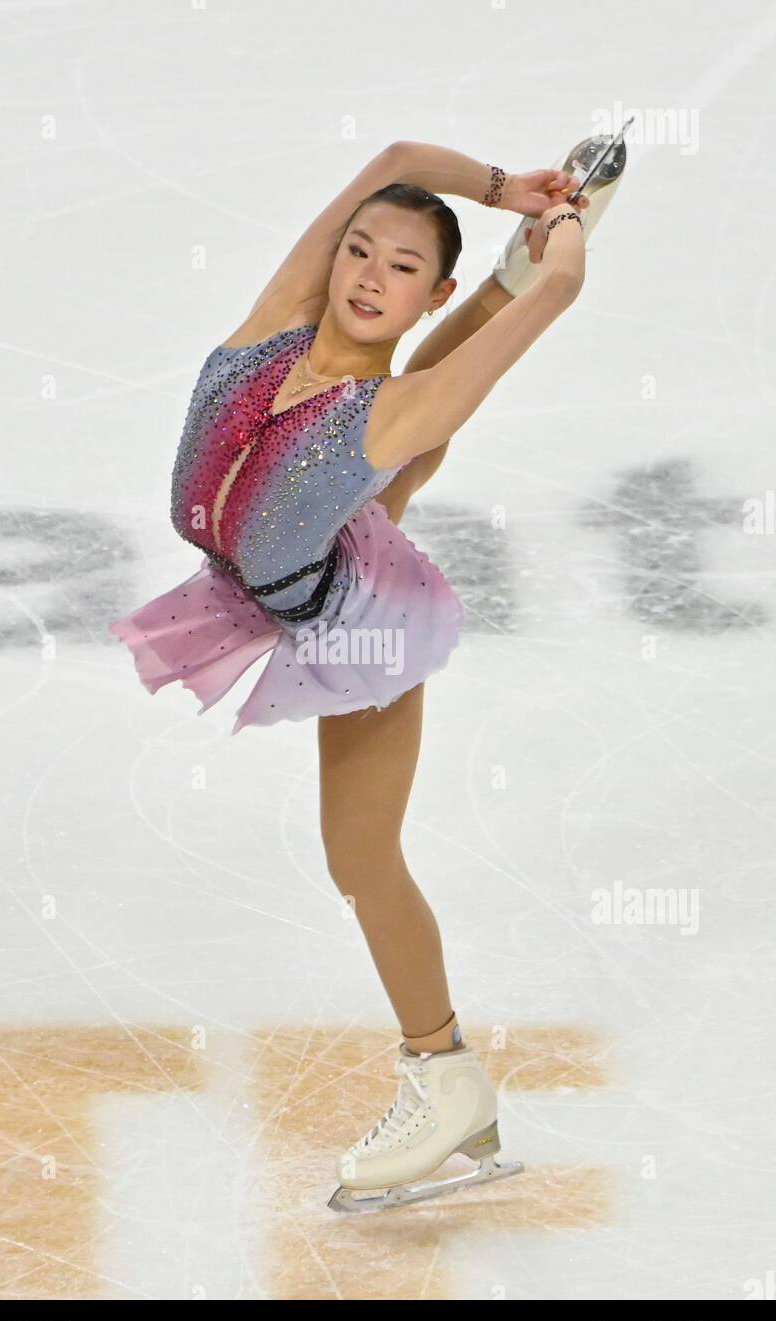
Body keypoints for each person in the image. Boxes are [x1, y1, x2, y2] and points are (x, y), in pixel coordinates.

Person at [109, 139, 600, 1211]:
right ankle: (447, 1079)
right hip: (270, 552)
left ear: (436, 290)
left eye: (404, 268)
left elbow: (559, 288)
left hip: (354, 614)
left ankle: (446, 1078)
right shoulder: (272, 330)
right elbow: (395, 157)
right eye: (360, 251)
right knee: (395, 443)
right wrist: (506, 188)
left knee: (359, 856)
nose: (371, 276)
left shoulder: (392, 408)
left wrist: (566, 224)